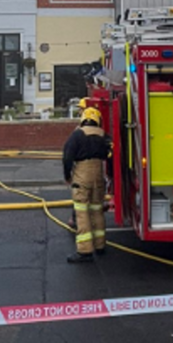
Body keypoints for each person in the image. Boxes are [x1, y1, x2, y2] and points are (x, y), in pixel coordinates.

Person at [62, 106, 110, 263]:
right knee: (97, 209)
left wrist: (67, 175)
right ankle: (100, 245)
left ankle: (85, 251)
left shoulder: (77, 135)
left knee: (82, 211)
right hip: (98, 174)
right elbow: (110, 154)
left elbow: (67, 156)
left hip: (82, 174)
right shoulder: (103, 135)